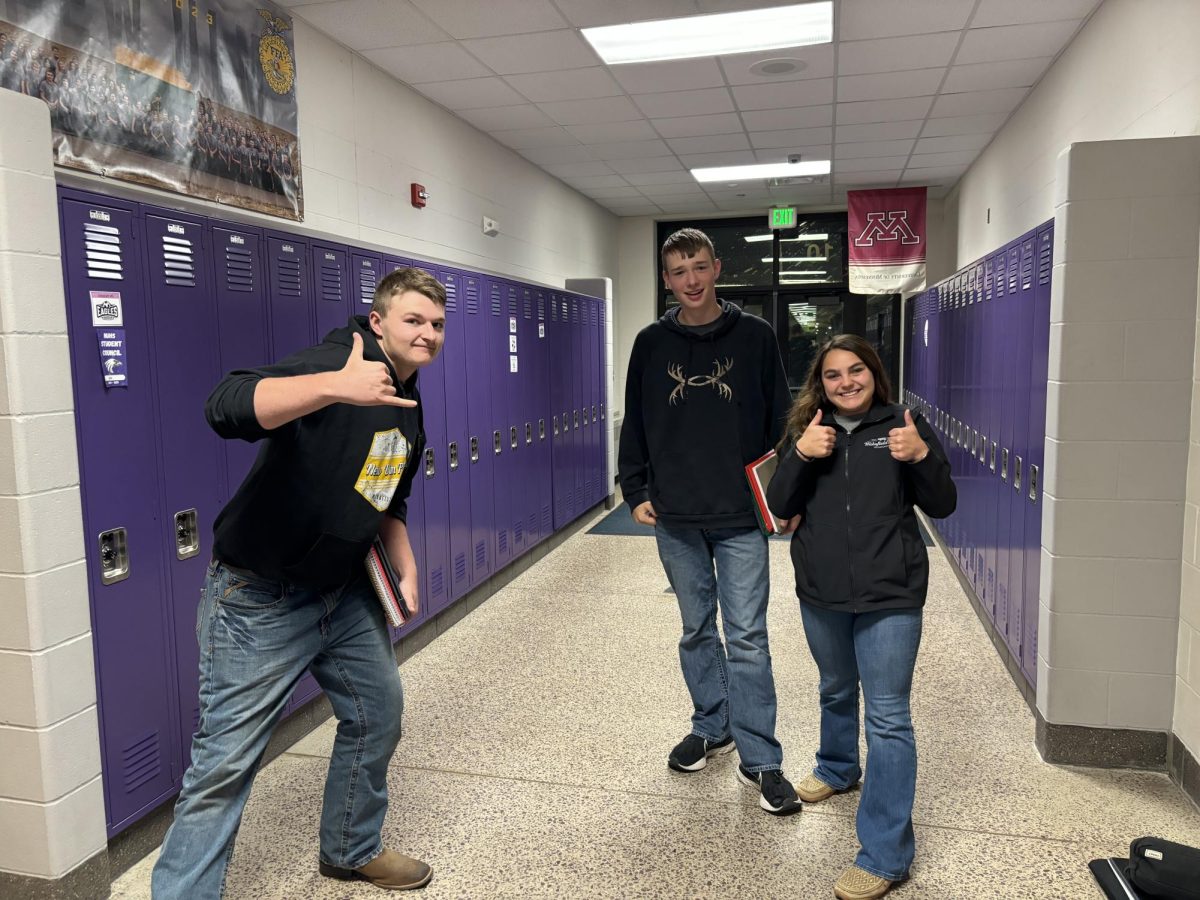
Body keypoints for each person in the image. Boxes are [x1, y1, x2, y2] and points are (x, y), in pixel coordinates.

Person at [151, 267, 446, 898]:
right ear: (378, 322)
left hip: (342, 592)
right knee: (224, 766)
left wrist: (406, 559)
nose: (427, 334)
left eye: (437, 324)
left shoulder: (408, 397)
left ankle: (350, 847)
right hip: (258, 599)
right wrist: (333, 387)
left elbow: (387, 490)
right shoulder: (337, 364)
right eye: (413, 320)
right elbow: (225, 405)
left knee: (378, 713)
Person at [618, 227, 801, 815]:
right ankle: (711, 724)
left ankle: (762, 758)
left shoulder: (755, 336)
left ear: (717, 268)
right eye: (678, 271)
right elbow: (637, 423)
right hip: (676, 516)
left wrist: (784, 494)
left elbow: (781, 419)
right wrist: (634, 487)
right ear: (666, 279)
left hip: (741, 513)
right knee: (697, 629)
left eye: (699, 266)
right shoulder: (651, 342)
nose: (691, 280)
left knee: (747, 637)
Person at [766, 334, 956, 900]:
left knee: (890, 717)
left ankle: (885, 854)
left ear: (874, 374)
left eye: (856, 371)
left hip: (891, 593)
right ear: (819, 384)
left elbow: (943, 503)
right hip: (822, 590)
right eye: (833, 375)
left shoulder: (905, 424)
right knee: (834, 687)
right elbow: (778, 506)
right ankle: (837, 766)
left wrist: (918, 456)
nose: (846, 382)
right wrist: (802, 453)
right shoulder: (809, 431)